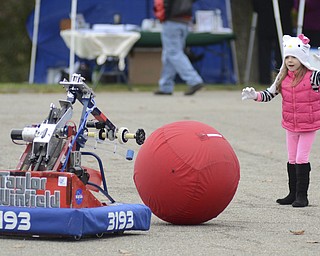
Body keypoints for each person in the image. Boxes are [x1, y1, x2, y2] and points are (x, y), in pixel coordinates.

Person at [242, 34, 320, 207]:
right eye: (287, 57)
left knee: (301, 157)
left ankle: (302, 196)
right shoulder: (282, 77)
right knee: (291, 158)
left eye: (294, 57)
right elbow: (269, 94)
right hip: (290, 124)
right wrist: (254, 95)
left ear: (302, 58)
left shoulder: (313, 77)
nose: (290, 60)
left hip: (308, 124)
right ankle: (292, 193)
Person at [153, 0, 204, 95]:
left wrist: (163, 16)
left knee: (173, 53)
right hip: (185, 20)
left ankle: (194, 80)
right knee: (169, 54)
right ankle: (166, 86)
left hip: (172, 20)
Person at [252, 0, 294, 85]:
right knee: (280, 52)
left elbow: (256, 6)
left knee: (267, 52)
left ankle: (266, 80)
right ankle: (281, 78)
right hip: (280, 20)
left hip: (267, 20)